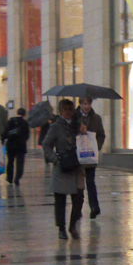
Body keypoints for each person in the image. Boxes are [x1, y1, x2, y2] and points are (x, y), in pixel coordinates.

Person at [39, 98, 86, 239]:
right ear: (60, 111)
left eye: (70, 109)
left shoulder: (78, 125)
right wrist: (54, 158)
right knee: (60, 199)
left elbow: (86, 142)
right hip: (62, 166)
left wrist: (84, 133)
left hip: (77, 166)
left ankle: (73, 226)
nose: (68, 112)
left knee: (79, 199)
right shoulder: (55, 126)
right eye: (65, 109)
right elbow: (46, 144)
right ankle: (61, 228)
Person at [77, 98, 107, 218]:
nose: (87, 106)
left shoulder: (96, 118)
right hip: (78, 155)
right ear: (80, 104)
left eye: (89, 103)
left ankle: (94, 208)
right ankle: (77, 209)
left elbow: (101, 135)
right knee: (79, 185)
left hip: (90, 155)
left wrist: (97, 147)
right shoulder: (74, 117)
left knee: (90, 182)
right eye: (84, 103)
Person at [3, 107, 30, 186]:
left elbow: (5, 132)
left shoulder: (11, 120)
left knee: (10, 162)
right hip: (21, 146)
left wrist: (3, 139)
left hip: (11, 145)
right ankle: (17, 178)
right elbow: (27, 135)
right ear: (24, 114)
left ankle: (9, 178)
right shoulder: (25, 123)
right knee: (20, 163)